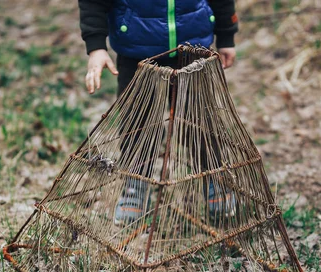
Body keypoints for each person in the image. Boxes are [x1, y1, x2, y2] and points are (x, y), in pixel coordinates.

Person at [79, 0, 239, 225]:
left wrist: (226, 35)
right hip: (137, 51)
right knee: (137, 121)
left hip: (194, 48)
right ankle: (136, 180)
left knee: (201, 118)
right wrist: (96, 47)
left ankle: (212, 174)